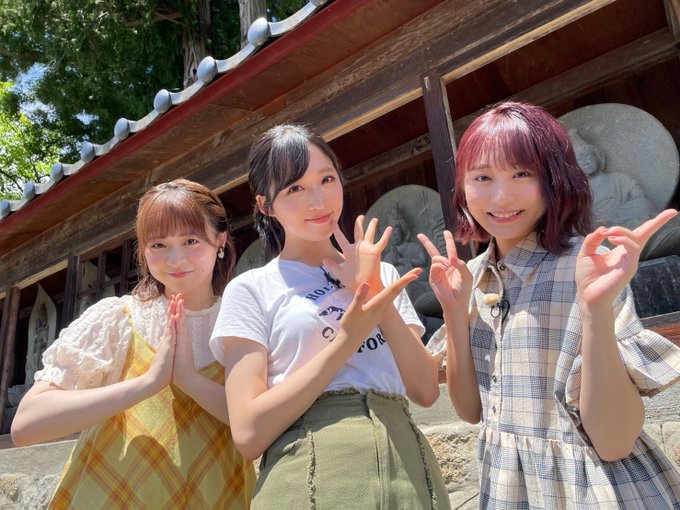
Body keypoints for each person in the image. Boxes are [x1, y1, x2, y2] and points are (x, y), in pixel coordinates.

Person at [417, 102, 680, 508]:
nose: (501, 196)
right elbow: (471, 411)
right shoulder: (467, 277)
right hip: (508, 489)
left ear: (554, 179)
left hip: (594, 491)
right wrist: (453, 312)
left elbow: (614, 442)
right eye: (482, 177)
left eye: (521, 173)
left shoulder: (588, 266)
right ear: (463, 189)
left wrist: (594, 309)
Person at [210, 124, 450, 509]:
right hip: (310, 472)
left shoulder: (382, 272)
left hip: (405, 464)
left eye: (326, 179)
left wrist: (373, 290)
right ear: (265, 205)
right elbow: (249, 433)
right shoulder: (251, 289)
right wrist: (346, 338)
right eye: (295, 189)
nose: (318, 200)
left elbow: (425, 390)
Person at [11, 179, 255, 509]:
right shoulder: (118, 319)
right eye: (159, 245)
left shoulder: (244, 323)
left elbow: (261, 424)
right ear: (143, 250)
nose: (175, 258)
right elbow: (27, 426)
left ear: (220, 240)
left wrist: (189, 380)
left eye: (191, 240)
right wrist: (148, 382)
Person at [570, 127, 680, 260]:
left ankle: (653, 229)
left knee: (643, 204)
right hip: (606, 227)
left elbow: (638, 195)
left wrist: (636, 204)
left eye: (588, 156)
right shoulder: (580, 193)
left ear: (599, 156)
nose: (585, 162)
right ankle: (651, 235)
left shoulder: (618, 178)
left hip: (629, 215)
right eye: (579, 160)